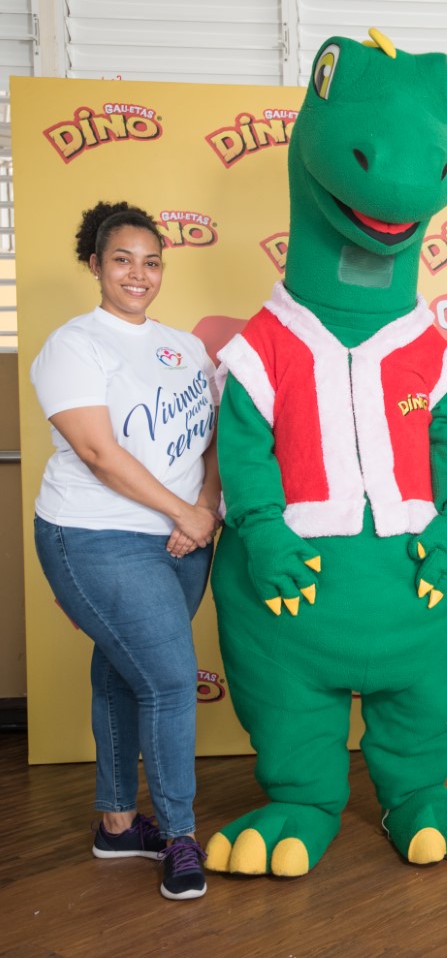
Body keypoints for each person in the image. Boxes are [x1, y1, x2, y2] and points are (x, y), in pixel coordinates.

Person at [30, 201, 221, 901]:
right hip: (96, 535)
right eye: (122, 259)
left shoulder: (187, 347)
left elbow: (212, 441)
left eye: (151, 260)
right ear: (95, 265)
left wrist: (205, 510)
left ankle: (116, 823)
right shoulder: (73, 343)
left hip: (184, 536)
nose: (138, 274)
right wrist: (184, 512)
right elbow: (98, 452)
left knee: (120, 672)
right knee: (170, 680)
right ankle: (177, 834)